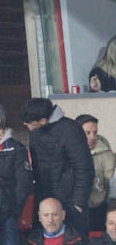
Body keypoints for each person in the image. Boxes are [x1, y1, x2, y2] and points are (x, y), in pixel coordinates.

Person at [22, 97, 95, 234]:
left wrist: (78, 203)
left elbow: (84, 168)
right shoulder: (35, 133)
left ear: (43, 121)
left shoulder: (70, 129)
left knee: (74, 241)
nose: (25, 124)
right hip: (45, 200)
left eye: (29, 122)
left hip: (70, 201)